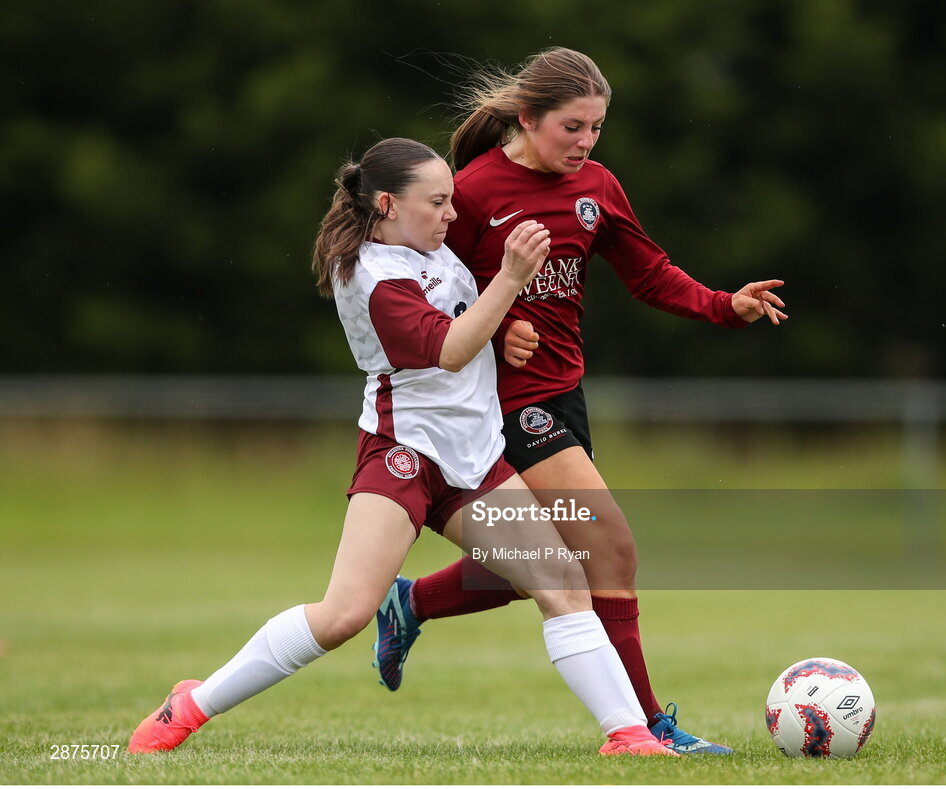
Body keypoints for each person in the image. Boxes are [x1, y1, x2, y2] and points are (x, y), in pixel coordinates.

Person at [126, 137, 680, 757]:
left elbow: (469, 329)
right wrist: (511, 281)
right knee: (343, 615)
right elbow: (447, 349)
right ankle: (191, 704)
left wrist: (507, 332)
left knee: (562, 583)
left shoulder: (433, 254)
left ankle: (628, 736)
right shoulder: (371, 275)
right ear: (387, 203)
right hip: (405, 457)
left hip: (476, 458)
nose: (452, 214)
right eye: (438, 202)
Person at [372, 49, 788, 755]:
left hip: (564, 396)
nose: (587, 142)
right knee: (610, 549)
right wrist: (502, 325)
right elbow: (430, 291)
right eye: (573, 126)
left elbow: (649, 272)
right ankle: (648, 726)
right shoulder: (471, 191)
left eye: (597, 127)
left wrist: (725, 304)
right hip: (504, 407)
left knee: (536, 563)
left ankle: (410, 602)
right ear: (527, 118)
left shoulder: (596, 185)